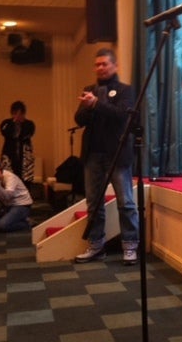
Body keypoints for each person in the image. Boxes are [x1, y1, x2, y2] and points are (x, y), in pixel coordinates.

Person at [74, 48, 139, 265]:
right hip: (92, 154)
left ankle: (130, 246)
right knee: (93, 203)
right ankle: (96, 246)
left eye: (104, 64)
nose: (100, 68)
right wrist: (87, 107)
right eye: (97, 64)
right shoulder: (89, 90)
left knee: (126, 202)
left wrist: (96, 104)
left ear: (115, 66)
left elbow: (121, 115)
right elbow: (79, 119)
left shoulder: (125, 90)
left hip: (117, 153)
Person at [0, 100, 35, 188]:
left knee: (25, 182)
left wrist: (20, 124)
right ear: (12, 113)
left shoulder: (29, 124)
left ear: (24, 114)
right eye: (15, 113)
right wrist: (14, 123)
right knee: (9, 181)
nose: (18, 116)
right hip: (9, 155)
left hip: (25, 157)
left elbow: (28, 134)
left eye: (20, 114)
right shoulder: (6, 123)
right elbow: (5, 132)